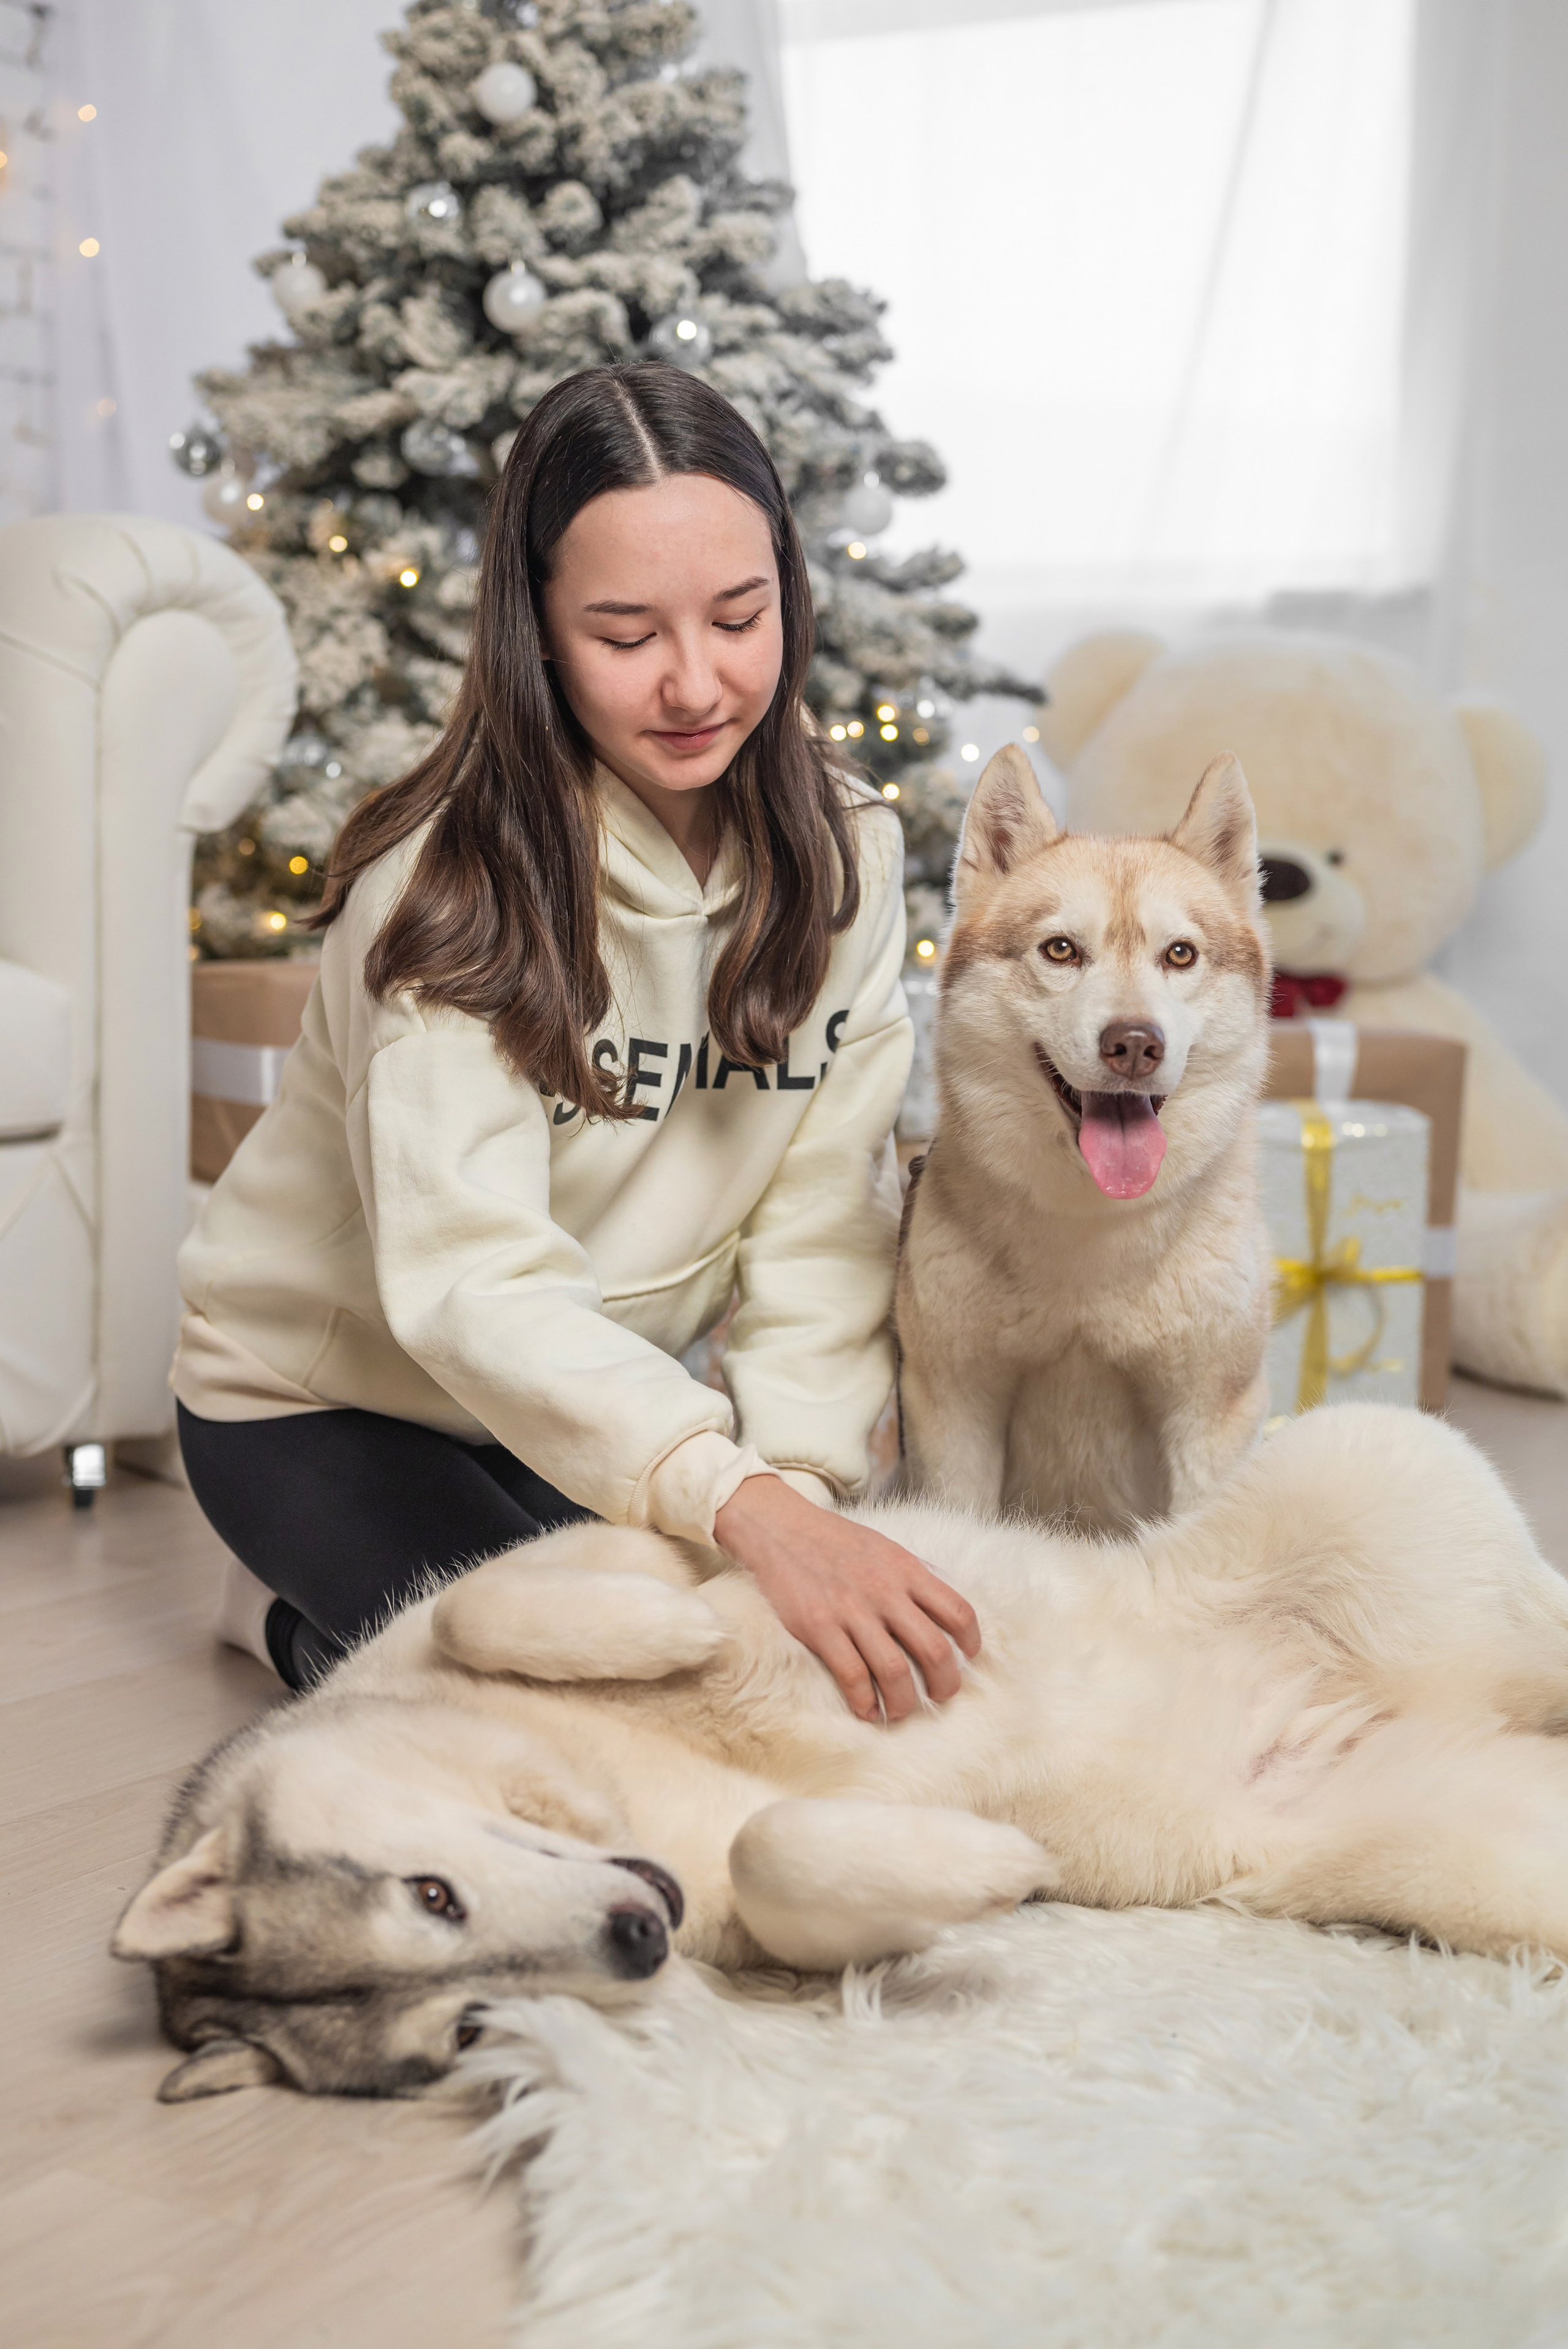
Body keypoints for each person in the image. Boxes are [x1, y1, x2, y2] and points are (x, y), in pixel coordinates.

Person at [175, 361, 979, 1722]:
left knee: (749, 1667)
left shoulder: (850, 857)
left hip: (580, 1404)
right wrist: (743, 1511)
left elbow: (824, 1223)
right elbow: (473, 1283)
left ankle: (378, 1607)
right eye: (624, 634)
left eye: (738, 617)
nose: (693, 684)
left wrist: (800, 1491)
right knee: (584, 1702)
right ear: (537, 629)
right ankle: (300, 1620)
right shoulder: (442, 889)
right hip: (323, 1403)